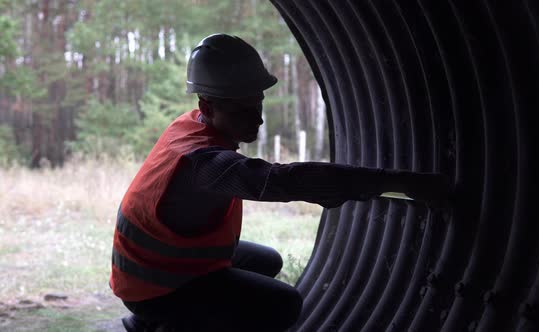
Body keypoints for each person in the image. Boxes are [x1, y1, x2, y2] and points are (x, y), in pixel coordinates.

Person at [111, 33, 452, 332]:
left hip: (150, 267)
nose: (257, 119)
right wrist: (404, 183)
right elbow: (283, 181)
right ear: (207, 105)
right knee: (283, 304)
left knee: (267, 261)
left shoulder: (189, 125)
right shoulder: (203, 163)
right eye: (242, 110)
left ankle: (158, 323)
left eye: (257, 104)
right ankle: (159, 321)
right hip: (153, 288)